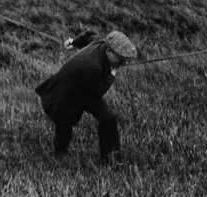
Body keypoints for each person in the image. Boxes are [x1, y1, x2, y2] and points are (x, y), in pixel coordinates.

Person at [35, 30, 137, 163]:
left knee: (109, 118)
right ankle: (60, 153)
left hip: (85, 88)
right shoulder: (92, 67)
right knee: (64, 123)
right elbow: (97, 92)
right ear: (109, 52)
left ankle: (110, 157)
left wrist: (73, 42)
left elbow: (89, 35)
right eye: (121, 59)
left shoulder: (101, 42)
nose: (123, 64)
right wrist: (112, 73)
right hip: (64, 94)